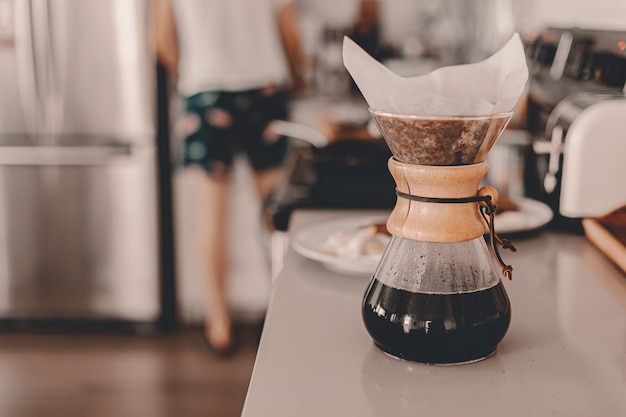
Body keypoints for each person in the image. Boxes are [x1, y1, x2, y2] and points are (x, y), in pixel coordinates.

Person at [155, 0, 303, 353]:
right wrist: (296, 74)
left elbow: (161, 40)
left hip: (205, 91)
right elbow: (290, 35)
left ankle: (218, 325)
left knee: (211, 217)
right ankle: (279, 313)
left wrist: (193, 75)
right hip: (265, 89)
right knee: (273, 215)